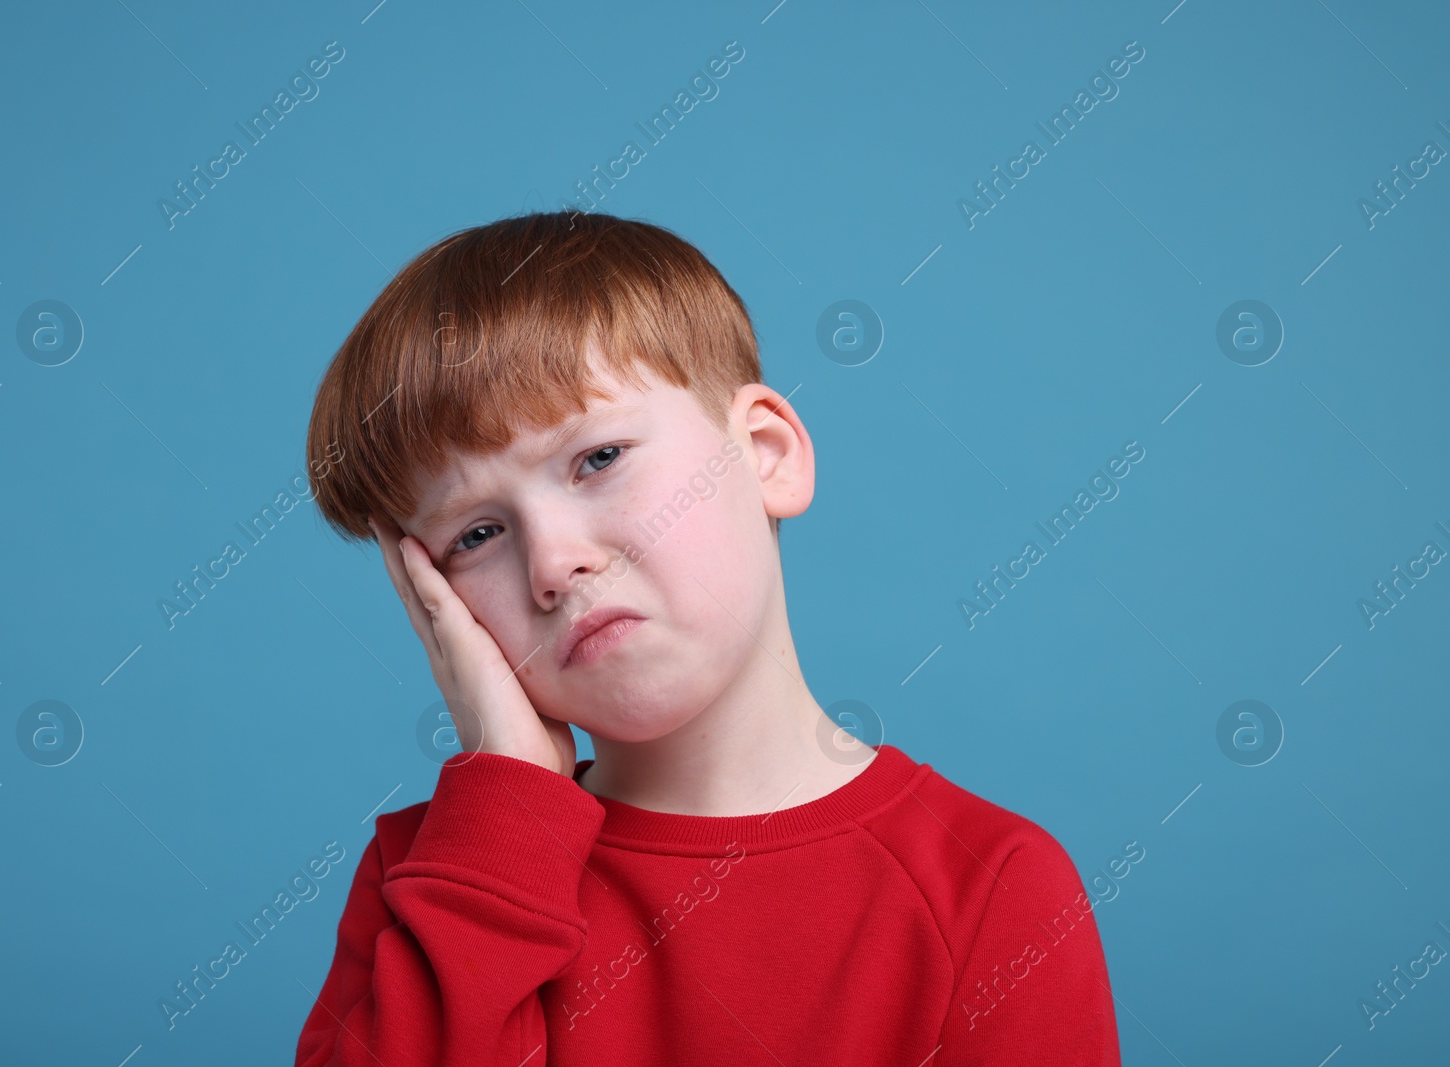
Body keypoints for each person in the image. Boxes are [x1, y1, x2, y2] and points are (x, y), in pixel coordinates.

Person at [293, 210, 1122, 1065]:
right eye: (475, 536)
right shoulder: (440, 882)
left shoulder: (989, 886)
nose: (553, 563)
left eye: (598, 457)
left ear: (763, 452)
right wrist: (506, 805)